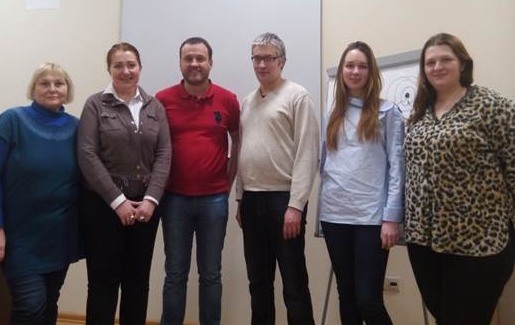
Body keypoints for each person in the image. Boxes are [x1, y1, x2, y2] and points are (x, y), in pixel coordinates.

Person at [404, 32, 515, 325]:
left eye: (446, 59)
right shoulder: (420, 113)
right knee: (444, 316)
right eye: (430, 62)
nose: (437, 67)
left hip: (478, 241)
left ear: (463, 64)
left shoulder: (492, 106)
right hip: (423, 240)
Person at [0, 62, 80, 325]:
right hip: (18, 235)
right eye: (45, 83)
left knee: (49, 303)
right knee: (30, 306)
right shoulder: (11, 120)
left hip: (60, 234)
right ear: (33, 89)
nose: (52, 88)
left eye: (59, 83)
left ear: (67, 90)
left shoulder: (77, 127)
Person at [77, 42, 171, 325]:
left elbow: (164, 154)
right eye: (118, 65)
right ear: (109, 69)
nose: (126, 71)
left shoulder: (155, 106)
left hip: (145, 210)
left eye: (131, 65)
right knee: (103, 283)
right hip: (103, 207)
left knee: (137, 282)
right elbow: (87, 154)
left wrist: (151, 200)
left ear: (140, 67)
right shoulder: (95, 104)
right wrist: (117, 201)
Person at [236, 32, 319, 325]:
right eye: (256, 58)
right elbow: (243, 151)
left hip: (284, 202)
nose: (262, 64)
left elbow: (307, 154)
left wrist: (296, 205)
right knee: (258, 282)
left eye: (268, 58)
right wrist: (240, 198)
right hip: (252, 199)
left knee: (293, 283)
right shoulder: (247, 102)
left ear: (281, 61)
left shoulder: (298, 96)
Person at [319, 41, 404, 325]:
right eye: (349, 65)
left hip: (371, 219)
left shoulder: (388, 112)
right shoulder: (332, 114)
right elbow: (325, 165)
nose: (355, 71)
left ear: (371, 71)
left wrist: (391, 218)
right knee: (347, 295)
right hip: (335, 216)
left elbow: (397, 169)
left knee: (368, 300)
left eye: (362, 66)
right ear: (342, 71)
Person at [156, 37, 240, 325]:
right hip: (173, 199)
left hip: (214, 200)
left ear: (210, 63)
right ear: (180, 62)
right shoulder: (162, 100)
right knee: (175, 274)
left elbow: (238, 141)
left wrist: (228, 184)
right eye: (188, 58)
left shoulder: (228, 99)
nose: (194, 64)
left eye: (200, 58)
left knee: (211, 274)